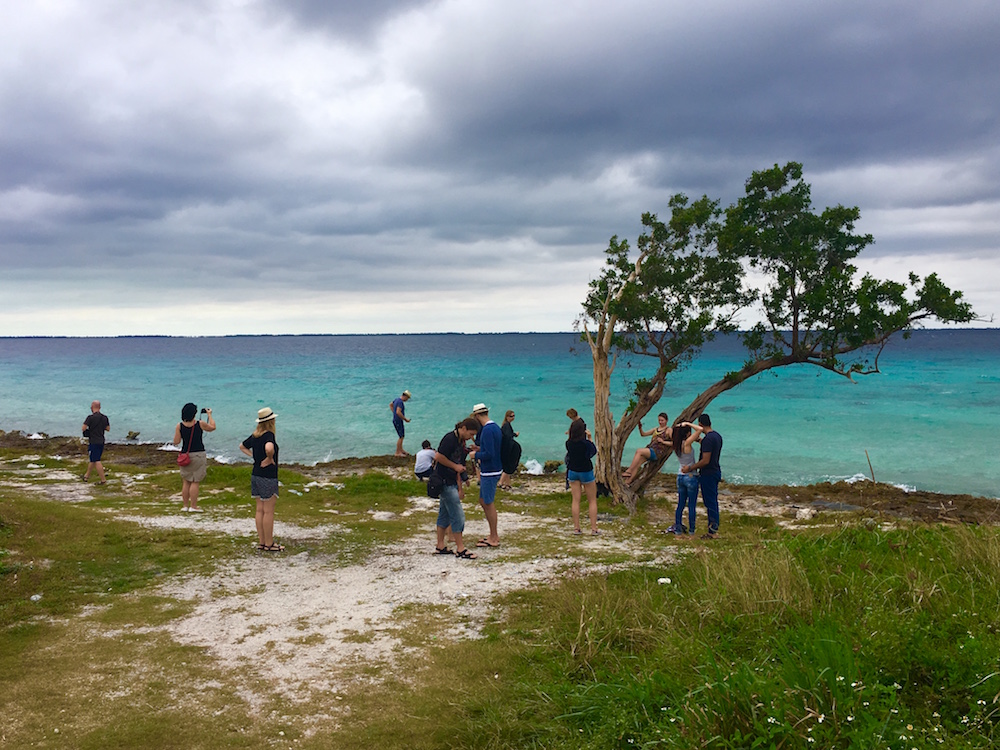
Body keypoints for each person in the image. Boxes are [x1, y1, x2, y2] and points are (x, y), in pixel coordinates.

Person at [433, 418, 480, 559]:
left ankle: (440, 545)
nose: (471, 437)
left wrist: (464, 476)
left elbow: (458, 459)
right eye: (470, 434)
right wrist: (455, 467)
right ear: (463, 428)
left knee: (444, 514)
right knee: (457, 514)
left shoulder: (460, 441)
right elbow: (439, 456)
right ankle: (460, 548)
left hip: (452, 480)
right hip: (445, 481)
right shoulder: (449, 438)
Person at [239, 407, 283, 552]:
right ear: (271, 421)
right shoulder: (269, 435)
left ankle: (262, 541)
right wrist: (269, 458)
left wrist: (254, 456)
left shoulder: (255, 435)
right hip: (268, 476)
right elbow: (269, 448)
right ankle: (269, 544)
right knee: (268, 511)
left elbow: (242, 446)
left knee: (259, 510)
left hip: (255, 474)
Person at [682, 413, 723, 539]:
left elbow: (705, 460)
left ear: (700, 424)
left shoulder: (708, 440)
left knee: (709, 501)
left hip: (708, 474)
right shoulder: (716, 436)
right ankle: (714, 527)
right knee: (713, 500)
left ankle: (712, 531)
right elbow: (709, 447)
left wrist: (690, 468)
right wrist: (700, 440)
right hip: (716, 470)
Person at [469, 403, 503, 548]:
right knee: (483, 501)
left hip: (490, 471)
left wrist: (475, 454)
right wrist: (479, 448)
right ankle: (492, 534)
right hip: (491, 469)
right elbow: (492, 448)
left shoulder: (488, 430)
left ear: (477, 416)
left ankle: (494, 537)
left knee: (488, 503)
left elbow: (490, 454)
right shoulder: (495, 427)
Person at [173, 403, 216, 512]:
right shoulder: (200, 424)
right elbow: (213, 427)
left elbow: (176, 442)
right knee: (195, 481)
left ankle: (185, 506)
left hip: (185, 456)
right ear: (194, 414)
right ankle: (194, 506)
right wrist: (209, 415)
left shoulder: (179, 425)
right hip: (198, 454)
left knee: (186, 481)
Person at [666, 421, 702, 535]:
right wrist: (688, 424)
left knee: (680, 505)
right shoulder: (686, 444)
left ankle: (677, 530)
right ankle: (691, 531)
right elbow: (700, 430)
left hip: (680, 476)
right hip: (690, 476)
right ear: (686, 434)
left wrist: (679, 426)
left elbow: (674, 431)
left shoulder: (675, 444)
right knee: (691, 505)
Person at [565, 417, 600, 535]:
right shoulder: (585, 444)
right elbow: (593, 452)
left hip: (573, 471)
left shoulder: (568, 443)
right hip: (586, 471)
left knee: (576, 500)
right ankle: (594, 528)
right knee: (592, 500)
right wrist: (590, 438)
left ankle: (576, 528)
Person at [623, 412, 672, 483]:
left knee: (639, 451)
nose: (660, 422)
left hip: (657, 452)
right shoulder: (656, 429)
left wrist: (663, 442)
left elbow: (673, 443)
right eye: (659, 420)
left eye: (662, 420)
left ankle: (629, 470)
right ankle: (628, 482)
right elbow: (643, 434)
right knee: (637, 464)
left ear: (666, 420)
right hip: (650, 450)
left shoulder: (668, 430)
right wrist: (640, 428)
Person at [81, 400, 110, 484]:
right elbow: (108, 429)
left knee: (96, 460)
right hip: (101, 440)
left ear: (92, 407)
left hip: (93, 441)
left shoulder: (90, 418)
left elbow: (83, 428)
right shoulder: (104, 417)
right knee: (93, 460)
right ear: (100, 407)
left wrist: (90, 430)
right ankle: (86, 476)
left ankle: (103, 480)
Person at [499, 410, 521, 489]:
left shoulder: (506, 425)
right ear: (507, 417)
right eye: (511, 416)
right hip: (508, 449)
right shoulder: (506, 425)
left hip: (506, 448)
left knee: (507, 466)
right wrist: (515, 434)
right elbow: (508, 436)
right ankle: (501, 482)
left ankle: (507, 484)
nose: (513, 418)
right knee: (508, 467)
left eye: (514, 416)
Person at [390, 390, 412, 456]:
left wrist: (393, 413)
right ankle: (397, 452)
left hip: (396, 419)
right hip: (398, 420)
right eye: (407, 398)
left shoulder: (397, 399)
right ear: (405, 396)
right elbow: (398, 412)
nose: (407, 400)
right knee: (401, 436)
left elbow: (391, 405)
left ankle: (401, 450)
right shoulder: (400, 402)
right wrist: (405, 419)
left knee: (402, 435)